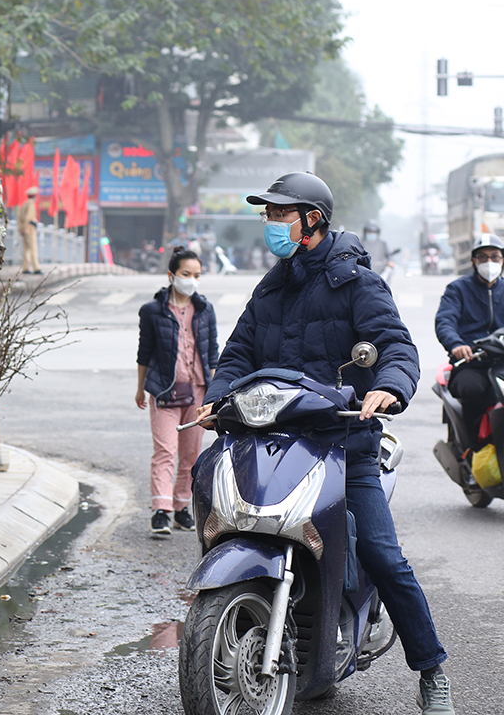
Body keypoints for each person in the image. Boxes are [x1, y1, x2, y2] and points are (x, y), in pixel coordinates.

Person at [195, 172, 454, 715]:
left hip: (345, 444)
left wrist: (386, 386)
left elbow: (396, 346)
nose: (271, 225)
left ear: (312, 219)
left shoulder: (359, 284)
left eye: (279, 215)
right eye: (267, 215)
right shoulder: (271, 287)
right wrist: (219, 395)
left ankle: (432, 670)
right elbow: (239, 353)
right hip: (276, 439)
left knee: (383, 557)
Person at [135, 246, 218, 536]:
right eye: (186, 274)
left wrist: (213, 397)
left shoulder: (205, 311)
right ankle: (161, 510)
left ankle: (182, 508)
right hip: (164, 391)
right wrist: (140, 389)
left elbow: (213, 355)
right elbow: (144, 353)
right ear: (171, 275)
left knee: (191, 455)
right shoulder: (152, 311)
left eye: (197, 275)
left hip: (197, 392)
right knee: (165, 451)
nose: (192, 280)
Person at [434, 232, 504, 443]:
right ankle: (474, 448)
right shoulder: (458, 289)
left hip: (501, 362)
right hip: (471, 363)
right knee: (473, 390)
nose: (489, 262)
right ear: (474, 261)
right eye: (482, 257)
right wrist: (456, 344)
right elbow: (445, 321)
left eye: (494, 257)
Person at [18, 187, 41, 274]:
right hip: (29, 229)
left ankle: (26, 267)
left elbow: (20, 217)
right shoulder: (31, 204)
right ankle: (36, 268)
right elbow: (29, 217)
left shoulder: (24, 204)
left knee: (26, 249)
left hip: (24, 229)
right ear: (35, 196)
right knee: (33, 249)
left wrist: (21, 228)